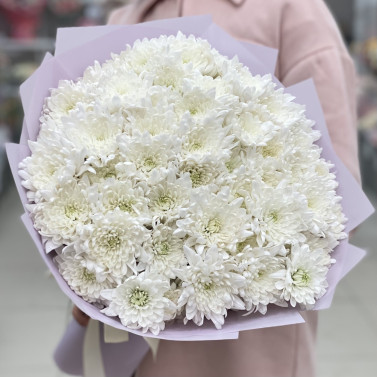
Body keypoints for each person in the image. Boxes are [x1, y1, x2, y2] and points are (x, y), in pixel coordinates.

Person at [71, 1, 361, 376]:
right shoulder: (126, 18)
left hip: (247, 347)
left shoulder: (291, 9)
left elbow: (338, 199)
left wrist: (233, 257)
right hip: (136, 343)